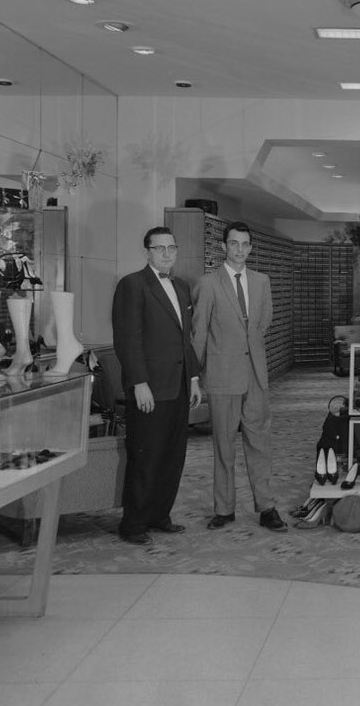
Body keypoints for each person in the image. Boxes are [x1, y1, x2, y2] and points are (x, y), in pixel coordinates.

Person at [190, 221, 285, 532]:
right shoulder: (208, 284)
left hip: (256, 376)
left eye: (245, 244)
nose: (240, 249)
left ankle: (267, 506)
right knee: (224, 446)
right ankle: (224, 508)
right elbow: (199, 332)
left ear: (251, 248)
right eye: (234, 244)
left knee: (260, 444)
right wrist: (195, 376)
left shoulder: (262, 281)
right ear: (223, 247)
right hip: (222, 376)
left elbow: (263, 322)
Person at [112, 226, 203, 544]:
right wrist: (139, 382)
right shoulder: (133, 285)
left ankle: (159, 514)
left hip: (177, 385)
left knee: (172, 455)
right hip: (149, 387)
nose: (167, 253)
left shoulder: (181, 286)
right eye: (160, 248)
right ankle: (134, 523)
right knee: (145, 455)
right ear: (147, 251)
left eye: (171, 248)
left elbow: (185, 340)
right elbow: (128, 339)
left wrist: (193, 378)